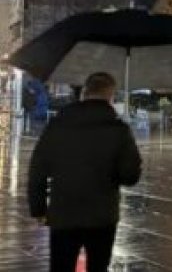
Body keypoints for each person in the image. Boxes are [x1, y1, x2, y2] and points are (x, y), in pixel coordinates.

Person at [28, 72, 142, 272]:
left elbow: (37, 169)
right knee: (98, 267)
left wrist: (38, 208)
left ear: (85, 93)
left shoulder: (58, 125)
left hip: (64, 214)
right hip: (102, 216)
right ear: (111, 95)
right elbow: (130, 176)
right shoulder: (118, 130)